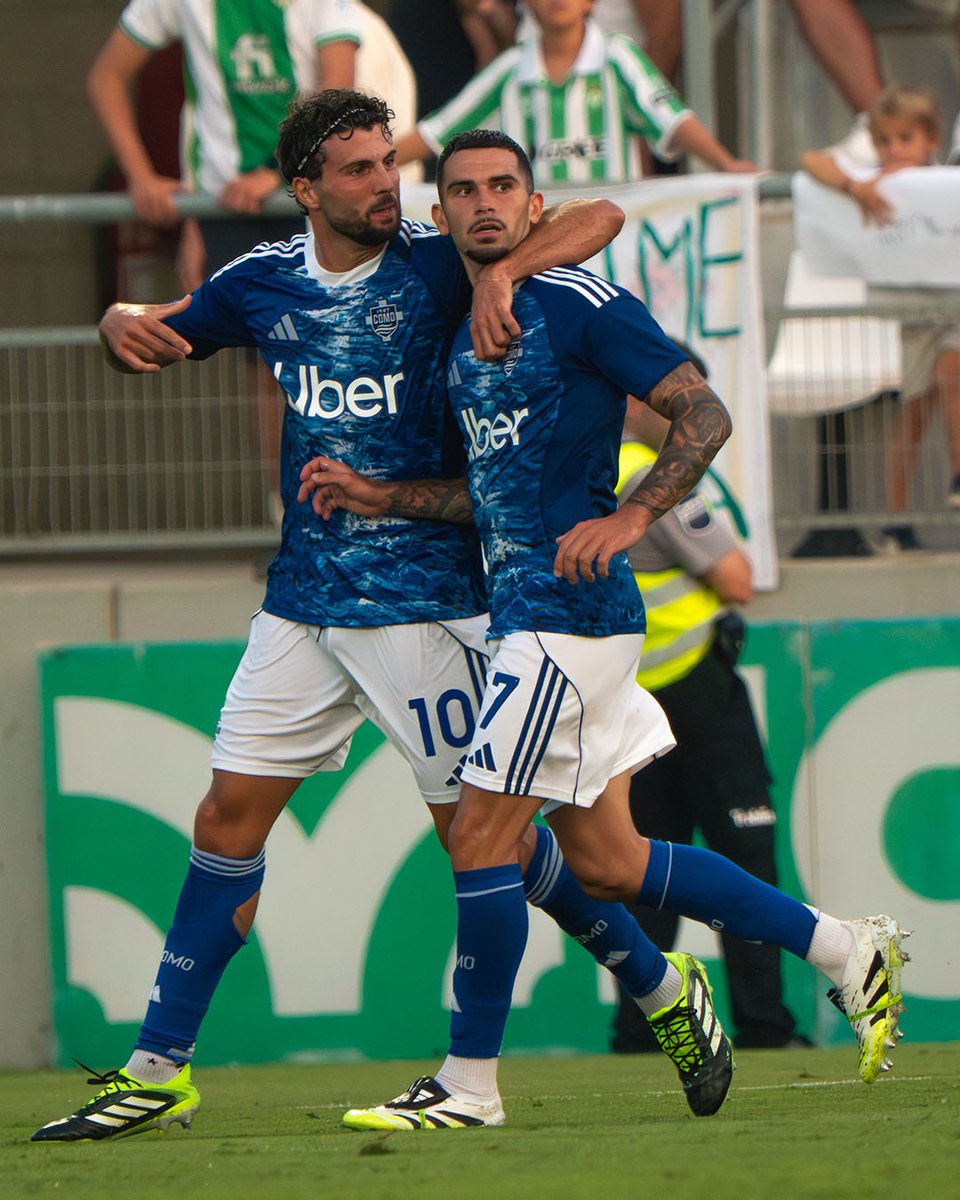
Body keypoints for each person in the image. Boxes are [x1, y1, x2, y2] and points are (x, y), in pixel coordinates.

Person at [30, 88, 716, 1144]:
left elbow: (597, 217)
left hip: (429, 604)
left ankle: (659, 985)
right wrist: (119, 319)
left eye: (389, 162)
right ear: (305, 190)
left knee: (486, 846)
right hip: (303, 600)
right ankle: (158, 1069)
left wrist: (503, 273)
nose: (385, 184)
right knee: (225, 820)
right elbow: (162, 327)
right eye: (357, 169)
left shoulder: (441, 260)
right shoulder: (260, 282)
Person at [298, 129, 911, 1132]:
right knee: (612, 864)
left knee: (481, 836)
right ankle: (846, 948)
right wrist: (382, 494)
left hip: (568, 619)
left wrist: (632, 518)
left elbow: (702, 412)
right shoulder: (464, 334)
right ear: (440, 213)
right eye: (464, 190)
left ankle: (469, 1086)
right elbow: (490, 495)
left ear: (534, 205)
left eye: (505, 186)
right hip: (531, 618)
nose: (486, 203)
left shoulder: (577, 299)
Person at [609, 396, 801, 1053]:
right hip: (697, 694)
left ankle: (642, 1031)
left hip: (628, 701)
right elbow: (737, 580)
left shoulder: (580, 472)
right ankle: (765, 1025)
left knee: (642, 868)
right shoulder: (649, 474)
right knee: (744, 854)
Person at [801, 84, 960, 547]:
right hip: (911, 312)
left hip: (953, 305)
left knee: (951, 373)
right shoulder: (870, 175)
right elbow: (812, 160)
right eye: (884, 141)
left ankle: (957, 477)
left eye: (905, 138)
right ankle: (897, 518)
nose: (894, 150)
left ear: (930, 139)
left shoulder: (947, 181)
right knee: (913, 414)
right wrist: (856, 187)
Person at [393, 0, 756, 186]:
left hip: (614, 247)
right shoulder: (508, 71)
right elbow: (438, 132)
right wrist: (375, 167)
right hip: (539, 255)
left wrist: (726, 164)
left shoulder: (619, 57)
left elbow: (671, 119)